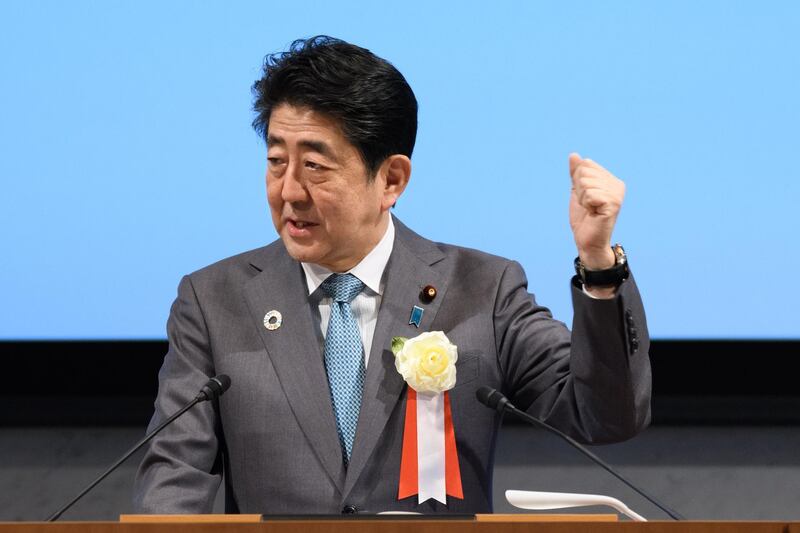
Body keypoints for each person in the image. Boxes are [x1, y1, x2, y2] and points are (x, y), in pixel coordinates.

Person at [133, 35, 651, 515]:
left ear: (391, 178)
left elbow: (604, 415)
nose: (288, 191)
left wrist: (599, 266)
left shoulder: (481, 290)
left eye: (314, 167)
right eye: (275, 161)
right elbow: (175, 476)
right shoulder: (213, 300)